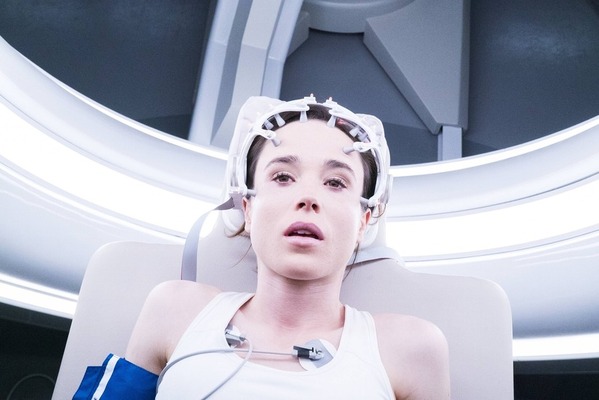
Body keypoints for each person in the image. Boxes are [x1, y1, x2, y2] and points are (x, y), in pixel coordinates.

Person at [75, 95, 450, 399]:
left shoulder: (411, 348)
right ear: (248, 208)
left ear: (364, 222)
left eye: (336, 182)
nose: (308, 197)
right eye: (283, 176)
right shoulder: (175, 309)